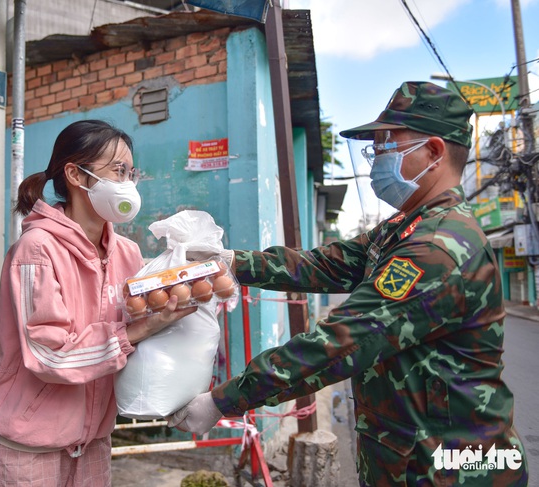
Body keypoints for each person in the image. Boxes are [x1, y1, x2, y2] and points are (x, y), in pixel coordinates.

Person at [169, 82, 529, 486]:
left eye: (387, 147)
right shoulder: (404, 228)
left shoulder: (437, 248)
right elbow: (326, 264)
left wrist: (224, 399)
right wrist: (235, 263)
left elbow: (343, 341)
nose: (377, 160)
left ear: (433, 152)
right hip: (410, 456)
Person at [0, 119, 195, 487]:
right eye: (117, 170)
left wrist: (188, 285)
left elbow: (142, 333)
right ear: (76, 175)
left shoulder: (127, 253)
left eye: (131, 172)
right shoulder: (37, 251)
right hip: (31, 451)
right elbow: (50, 355)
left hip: (93, 446)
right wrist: (137, 330)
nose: (127, 182)